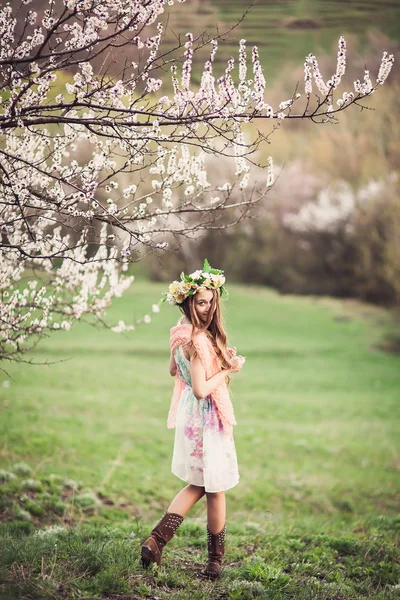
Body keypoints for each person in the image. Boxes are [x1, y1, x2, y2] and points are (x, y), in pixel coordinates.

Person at [141, 259, 245, 579]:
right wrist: (227, 369)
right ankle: (214, 562)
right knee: (215, 487)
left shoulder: (180, 334)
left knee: (201, 483)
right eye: (201, 302)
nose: (208, 308)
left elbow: (174, 370)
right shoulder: (198, 340)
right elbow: (200, 389)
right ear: (188, 301)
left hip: (190, 418)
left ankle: (155, 541)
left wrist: (214, 361)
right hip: (206, 419)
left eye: (212, 302)